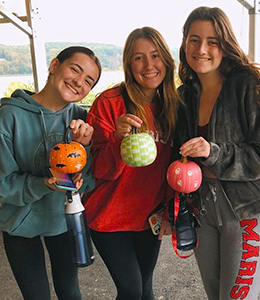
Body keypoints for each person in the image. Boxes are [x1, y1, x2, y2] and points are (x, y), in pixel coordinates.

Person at [175, 6, 260, 300]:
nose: (202, 49)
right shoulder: (186, 94)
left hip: (247, 209)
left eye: (212, 41)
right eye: (194, 39)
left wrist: (214, 152)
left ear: (225, 44)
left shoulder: (247, 85)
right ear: (184, 42)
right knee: (216, 295)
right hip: (203, 209)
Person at [82, 27, 180, 300]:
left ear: (167, 61)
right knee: (131, 290)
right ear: (128, 64)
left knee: (144, 288)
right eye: (138, 58)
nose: (149, 65)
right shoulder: (109, 103)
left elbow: (174, 164)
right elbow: (96, 169)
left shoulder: (173, 106)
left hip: (149, 215)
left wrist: (170, 209)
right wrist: (117, 140)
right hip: (108, 216)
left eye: (155, 55)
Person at [0, 46, 102, 300]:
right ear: (54, 65)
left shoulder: (83, 119)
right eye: (74, 70)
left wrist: (85, 149)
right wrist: (45, 183)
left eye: (88, 81)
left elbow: (88, 179)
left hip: (63, 221)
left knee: (70, 291)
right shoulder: (9, 116)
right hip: (19, 223)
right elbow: (3, 183)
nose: (78, 82)